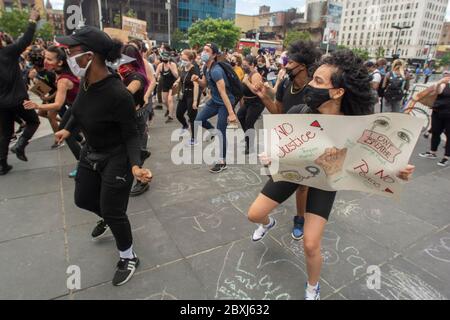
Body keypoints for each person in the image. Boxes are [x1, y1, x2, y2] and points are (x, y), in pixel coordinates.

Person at [248, 49, 416, 300]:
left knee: (311, 244)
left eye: (318, 81)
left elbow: (371, 159)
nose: (310, 86)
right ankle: (268, 224)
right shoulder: (299, 113)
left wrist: (397, 171)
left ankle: (313, 287)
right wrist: (270, 156)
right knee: (255, 214)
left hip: (325, 182)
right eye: (313, 78)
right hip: (293, 174)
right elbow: (279, 147)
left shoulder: (357, 126)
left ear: (337, 92)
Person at [54, 26, 152, 286]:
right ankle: (108, 218)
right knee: (82, 198)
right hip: (91, 151)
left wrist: (134, 166)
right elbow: (78, 110)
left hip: (117, 157)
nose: (68, 55)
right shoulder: (86, 81)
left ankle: (128, 256)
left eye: (72, 51)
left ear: (90, 55)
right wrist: (67, 128)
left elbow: (132, 134)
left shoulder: (117, 94)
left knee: (113, 210)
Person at [255, 40, 322, 241]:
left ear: (302, 65)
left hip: (308, 142)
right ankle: (265, 219)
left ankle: (300, 218)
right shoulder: (285, 84)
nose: (285, 65)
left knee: (302, 185)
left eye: (289, 61)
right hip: (284, 140)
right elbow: (278, 113)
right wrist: (263, 97)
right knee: (275, 177)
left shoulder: (315, 88)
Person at [23, 45, 81, 178]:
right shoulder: (61, 72)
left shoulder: (63, 80)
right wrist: (35, 78)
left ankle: (83, 164)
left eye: (49, 59)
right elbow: (47, 87)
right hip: (75, 106)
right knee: (63, 130)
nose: (45, 61)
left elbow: (58, 104)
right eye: (45, 58)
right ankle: (84, 152)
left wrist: (37, 106)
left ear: (59, 62)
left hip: (80, 108)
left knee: (67, 135)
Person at [0, 9, 41, 175]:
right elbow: (25, 40)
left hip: (1, 103)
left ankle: (2, 164)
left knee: (5, 132)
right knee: (33, 121)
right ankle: (20, 145)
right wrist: (32, 21)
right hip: (18, 99)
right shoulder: (7, 52)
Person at [192, 43, 237, 173]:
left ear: (214, 55)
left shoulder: (217, 70)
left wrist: (231, 113)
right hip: (214, 101)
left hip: (225, 102)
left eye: (207, 50)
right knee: (198, 120)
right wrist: (197, 80)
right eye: (203, 50)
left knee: (221, 131)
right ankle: (213, 132)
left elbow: (223, 93)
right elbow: (205, 83)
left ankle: (222, 161)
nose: (203, 53)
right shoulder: (206, 67)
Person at [119, 44, 152, 197]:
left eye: (124, 62)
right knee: (133, 150)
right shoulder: (124, 75)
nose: (121, 65)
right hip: (129, 117)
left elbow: (126, 94)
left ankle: (142, 181)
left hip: (137, 117)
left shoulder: (137, 76)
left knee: (137, 149)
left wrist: (145, 95)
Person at [412, 74, 450, 167]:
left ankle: (446, 157)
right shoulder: (445, 84)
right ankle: (432, 152)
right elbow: (438, 91)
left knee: (449, 135)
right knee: (435, 132)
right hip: (437, 111)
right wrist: (439, 82)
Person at [237, 55, 265, 154]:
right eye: (242, 65)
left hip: (256, 102)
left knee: (249, 122)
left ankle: (250, 145)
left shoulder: (255, 75)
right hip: (247, 101)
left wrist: (247, 83)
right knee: (240, 116)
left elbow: (256, 91)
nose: (243, 67)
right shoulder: (247, 74)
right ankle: (249, 137)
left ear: (252, 65)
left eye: (245, 65)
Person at [173, 49, 200, 146]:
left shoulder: (194, 69)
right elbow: (181, 76)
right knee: (179, 114)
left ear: (191, 60)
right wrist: (177, 82)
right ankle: (185, 125)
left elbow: (196, 85)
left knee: (192, 117)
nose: (182, 61)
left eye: (185, 59)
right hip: (183, 94)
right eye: (182, 58)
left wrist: (195, 101)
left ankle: (194, 139)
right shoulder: (183, 67)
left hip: (192, 95)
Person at [155, 51, 179, 122]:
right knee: (164, 101)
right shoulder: (160, 65)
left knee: (170, 100)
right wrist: (155, 77)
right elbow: (156, 75)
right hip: (164, 84)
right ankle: (169, 109)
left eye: (166, 57)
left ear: (169, 58)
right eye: (163, 57)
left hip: (172, 84)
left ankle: (170, 116)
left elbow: (176, 76)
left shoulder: (173, 64)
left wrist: (170, 68)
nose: (164, 59)